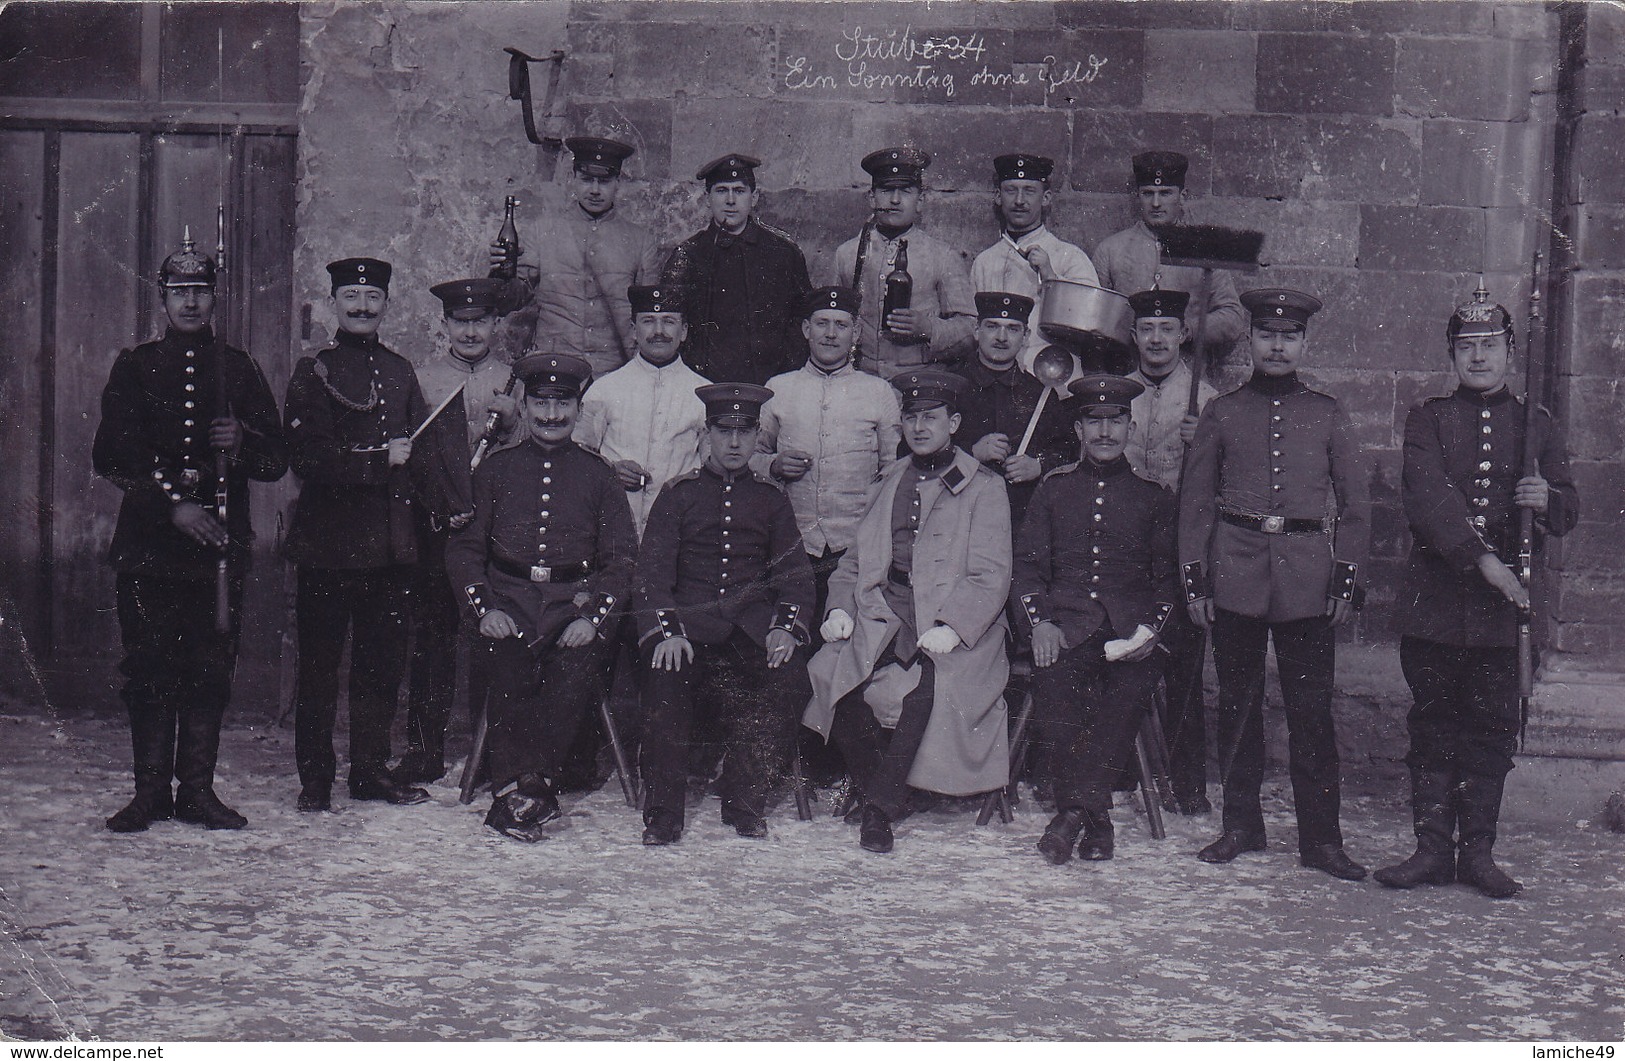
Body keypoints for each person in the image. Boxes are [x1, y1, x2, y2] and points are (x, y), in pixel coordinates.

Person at [1374, 286, 1578, 898]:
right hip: (1436, 604)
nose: (1479, 358)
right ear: (1452, 355)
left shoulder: (1534, 424)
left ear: (1510, 351)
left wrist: (1547, 503)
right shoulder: (1429, 419)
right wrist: (1487, 563)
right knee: (1434, 724)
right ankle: (1431, 850)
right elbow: (1429, 503)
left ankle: (1478, 855)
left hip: (1503, 618)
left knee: (1491, 729)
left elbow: (1569, 509)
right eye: (1467, 348)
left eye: (1490, 346)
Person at [93, 232, 287, 832]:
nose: (191, 303)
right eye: (180, 292)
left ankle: (197, 791)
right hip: (151, 548)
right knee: (149, 665)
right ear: (162, 298)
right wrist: (173, 504)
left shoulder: (237, 369)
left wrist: (244, 442)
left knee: (211, 665)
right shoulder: (135, 366)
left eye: (201, 291)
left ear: (214, 297)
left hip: (218, 550)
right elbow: (111, 453)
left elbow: (276, 459)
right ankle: (150, 792)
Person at [1179, 288, 1370, 880]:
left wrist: (1344, 579)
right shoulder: (1223, 412)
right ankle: (1241, 826)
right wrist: (1196, 583)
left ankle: (1322, 840)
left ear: (1305, 343)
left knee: (1310, 712)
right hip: (1235, 576)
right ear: (1252, 343)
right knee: (1237, 707)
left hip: (1309, 583)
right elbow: (1196, 503)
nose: (1278, 345)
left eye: (1289, 336)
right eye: (1267, 335)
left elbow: (1358, 507)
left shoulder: (1327, 412)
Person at [804, 369, 1012, 854]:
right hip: (886, 612)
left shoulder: (983, 487)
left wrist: (954, 626)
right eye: (912, 418)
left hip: (962, 626)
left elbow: (990, 575)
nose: (920, 428)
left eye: (932, 418)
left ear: (954, 422)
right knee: (836, 681)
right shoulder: (888, 480)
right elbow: (854, 562)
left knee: (928, 695)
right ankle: (893, 790)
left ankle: (879, 808)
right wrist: (839, 606)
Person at [445, 354, 636, 842]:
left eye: (563, 404)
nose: (552, 416)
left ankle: (525, 789)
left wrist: (593, 618)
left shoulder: (599, 475)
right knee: (506, 666)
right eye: (541, 404)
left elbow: (620, 561)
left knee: (573, 668)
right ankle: (525, 787)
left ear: (579, 408)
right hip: (508, 603)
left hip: (573, 606)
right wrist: (484, 609)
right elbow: (466, 550)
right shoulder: (496, 471)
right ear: (525, 407)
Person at [283, 257, 433, 812]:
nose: (363, 307)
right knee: (320, 670)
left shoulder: (399, 371)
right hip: (328, 548)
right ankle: (315, 781)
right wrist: (378, 461)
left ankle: (369, 772)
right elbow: (308, 457)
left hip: (390, 550)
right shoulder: (314, 371)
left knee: (380, 669)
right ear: (334, 305)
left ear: (387, 305)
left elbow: (420, 460)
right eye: (351, 297)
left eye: (372, 298)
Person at [636, 383, 816, 844]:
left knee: (790, 678)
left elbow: (795, 574)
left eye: (744, 432)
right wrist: (667, 632)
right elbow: (652, 574)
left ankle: (744, 799)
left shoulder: (771, 499)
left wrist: (785, 629)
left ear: (758, 435)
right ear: (707, 434)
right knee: (665, 675)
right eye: (724, 432)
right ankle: (663, 813)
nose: (734, 444)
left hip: (749, 630)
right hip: (688, 629)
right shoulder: (678, 496)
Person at [1013, 374, 1177, 864]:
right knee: (1059, 686)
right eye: (1094, 421)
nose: (1105, 432)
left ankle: (1071, 817)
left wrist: (1151, 631)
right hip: (1067, 625)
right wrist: (1039, 621)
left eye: (1116, 421)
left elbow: (1168, 579)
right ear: (1079, 429)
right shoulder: (1053, 490)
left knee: (1125, 695)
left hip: (1132, 633)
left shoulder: (1153, 496)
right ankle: (1095, 819)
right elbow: (1026, 567)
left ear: (1130, 426)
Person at [395, 277, 520, 785]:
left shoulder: (515, 380)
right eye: (460, 321)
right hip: (438, 528)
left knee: (494, 634)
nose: (471, 331)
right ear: (444, 324)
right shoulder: (420, 379)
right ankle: (425, 749)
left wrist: (512, 424)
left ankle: (489, 750)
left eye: (481, 321)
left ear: (496, 324)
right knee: (434, 636)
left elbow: (531, 457)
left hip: (498, 528)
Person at [753, 285, 902, 627]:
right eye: (822, 323)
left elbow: (894, 470)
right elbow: (751, 455)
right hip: (791, 544)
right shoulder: (779, 387)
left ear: (856, 332)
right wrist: (773, 465)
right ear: (806, 330)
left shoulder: (878, 392)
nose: (831, 334)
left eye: (841, 324)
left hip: (855, 547)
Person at [1124, 286, 1219, 814]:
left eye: (1166, 329)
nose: (1156, 339)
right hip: (1125, 544)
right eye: (1147, 329)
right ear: (1134, 335)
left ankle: (1188, 783)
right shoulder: (1116, 395)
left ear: (1183, 335)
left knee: (1183, 663)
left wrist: (1201, 442)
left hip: (1182, 543)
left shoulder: (1207, 400)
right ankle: (1117, 773)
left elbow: (1228, 482)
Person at [487, 136, 664, 376]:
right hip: (555, 370)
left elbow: (651, 315)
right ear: (572, 179)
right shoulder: (542, 231)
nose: (594, 190)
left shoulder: (640, 240)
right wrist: (500, 274)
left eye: (604, 181)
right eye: (586, 179)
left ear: (618, 182)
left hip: (616, 373)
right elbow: (510, 302)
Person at [574, 284, 710, 539]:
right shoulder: (603, 390)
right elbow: (576, 458)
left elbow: (713, 470)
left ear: (684, 332)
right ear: (634, 331)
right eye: (649, 321)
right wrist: (610, 470)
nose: (659, 332)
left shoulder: (704, 394)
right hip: (613, 531)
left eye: (669, 322)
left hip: (679, 533)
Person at [826, 147, 975, 378]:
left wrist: (928, 329)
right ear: (872, 198)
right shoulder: (846, 254)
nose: (895, 200)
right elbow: (830, 317)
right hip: (861, 382)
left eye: (905, 191)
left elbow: (970, 331)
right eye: (886, 191)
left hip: (921, 383)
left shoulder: (942, 256)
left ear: (920, 201)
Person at [662, 153, 812, 385]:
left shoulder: (784, 253)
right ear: (707, 198)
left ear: (754, 197)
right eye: (721, 190)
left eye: (739, 191)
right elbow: (671, 322)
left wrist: (784, 375)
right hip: (703, 385)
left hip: (772, 383)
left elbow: (802, 319)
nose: (730, 200)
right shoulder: (689, 255)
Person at [1092, 151, 1247, 356]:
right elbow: (1093, 317)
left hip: (1187, 373)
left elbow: (1232, 317)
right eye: (1148, 193)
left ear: (1182, 197)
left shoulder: (1205, 250)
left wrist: (1187, 329)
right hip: (1127, 374)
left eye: (1165, 193)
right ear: (1137, 196)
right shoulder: (1111, 250)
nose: (1156, 203)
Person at [953, 291, 1078, 529]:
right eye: (992, 326)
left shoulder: (1041, 394)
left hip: (1019, 523)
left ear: (1026, 337)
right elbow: (917, 455)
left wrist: (1039, 464)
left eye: (1012, 328)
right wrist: (970, 453)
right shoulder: (951, 386)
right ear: (977, 331)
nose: (1002, 337)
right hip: (958, 517)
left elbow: (1068, 451)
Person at [970, 153, 1099, 372]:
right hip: (996, 379)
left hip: (1053, 380)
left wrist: (1051, 277)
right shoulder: (985, 261)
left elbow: (1091, 324)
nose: (1019, 201)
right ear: (998, 196)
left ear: (1046, 198)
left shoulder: (1069, 256)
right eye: (1011, 190)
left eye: (1029, 191)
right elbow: (973, 326)